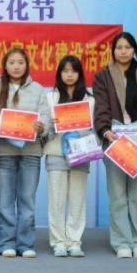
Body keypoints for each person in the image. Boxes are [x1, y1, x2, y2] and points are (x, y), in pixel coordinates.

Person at [93, 31, 137, 259]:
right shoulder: (103, 76)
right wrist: (105, 130)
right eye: (119, 48)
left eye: (127, 47)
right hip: (114, 140)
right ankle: (122, 242)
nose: (123, 51)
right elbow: (101, 106)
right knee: (117, 196)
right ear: (113, 51)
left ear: (134, 50)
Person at [0, 48, 46, 258]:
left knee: (27, 199)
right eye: (12, 62)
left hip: (31, 151)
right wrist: (8, 128)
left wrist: (41, 126)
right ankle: (6, 243)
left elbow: (45, 117)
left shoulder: (38, 89)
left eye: (20, 62)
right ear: (5, 65)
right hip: (4, 151)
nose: (16, 66)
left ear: (27, 65)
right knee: (5, 200)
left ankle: (26, 243)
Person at [40, 55, 94, 258]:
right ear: (59, 74)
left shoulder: (90, 100)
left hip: (81, 152)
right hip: (55, 152)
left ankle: (74, 241)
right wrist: (52, 125)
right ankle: (59, 242)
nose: (69, 75)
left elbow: (94, 129)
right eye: (65, 71)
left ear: (79, 74)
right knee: (56, 201)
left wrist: (82, 129)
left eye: (73, 71)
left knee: (77, 200)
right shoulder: (50, 98)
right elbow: (43, 132)